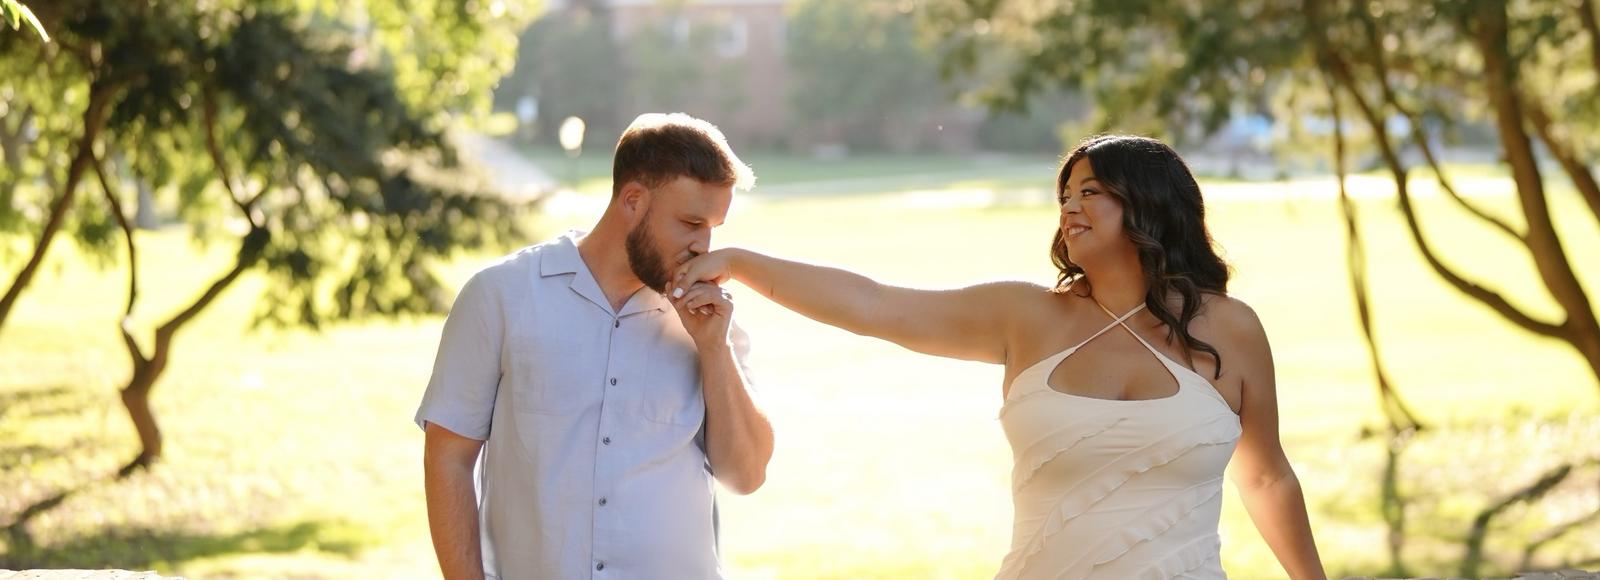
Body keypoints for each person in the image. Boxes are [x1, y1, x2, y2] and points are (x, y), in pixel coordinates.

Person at [668, 135, 1325, 579]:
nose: (1069, 206)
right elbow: (875, 305)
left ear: (1150, 204)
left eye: (1091, 191)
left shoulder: (1229, 329)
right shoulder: (1025, 316)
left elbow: (1266, 478)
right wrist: (740, 262)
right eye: (1065, 194)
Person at [416, 113, 774, 579]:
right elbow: (448, 457)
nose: (703, 247)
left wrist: (714, 348)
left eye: (712, 228)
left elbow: (746, 475)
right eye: (690, 223)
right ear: (633, 200)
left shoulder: (709, 318)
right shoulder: (501, 295)